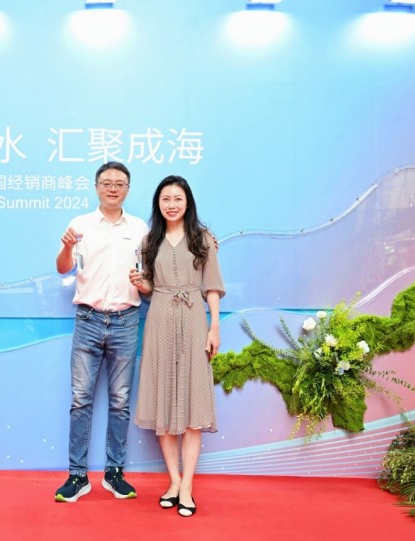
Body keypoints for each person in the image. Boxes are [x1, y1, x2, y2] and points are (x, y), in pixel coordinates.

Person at [129, 175, 225, 517]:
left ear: (188, 202)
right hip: (159, 320)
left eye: (177, 199)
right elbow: (149, 288)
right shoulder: (149, 240)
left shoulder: (203, 239)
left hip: (194, 320)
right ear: (158, 203)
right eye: (165, 199)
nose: (171, 204)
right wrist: (141, 284)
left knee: (192, 406)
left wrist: (214, 327)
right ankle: (173, 480)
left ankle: (187, 487)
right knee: (163, 405)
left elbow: (211, 286)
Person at [54, 161, 149, 503]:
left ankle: (114, 473)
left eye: (119, 183)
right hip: (88, 319)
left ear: (127, 189)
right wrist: (67, 247)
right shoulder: (79, 225)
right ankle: (77, 476)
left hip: (126, 321)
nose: (113, 188)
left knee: (120, 402)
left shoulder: (139, 228)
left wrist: (143, 282)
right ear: (96, 187)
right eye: (107, 182)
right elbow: (63, 268)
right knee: (81, 400)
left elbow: (148, 278)